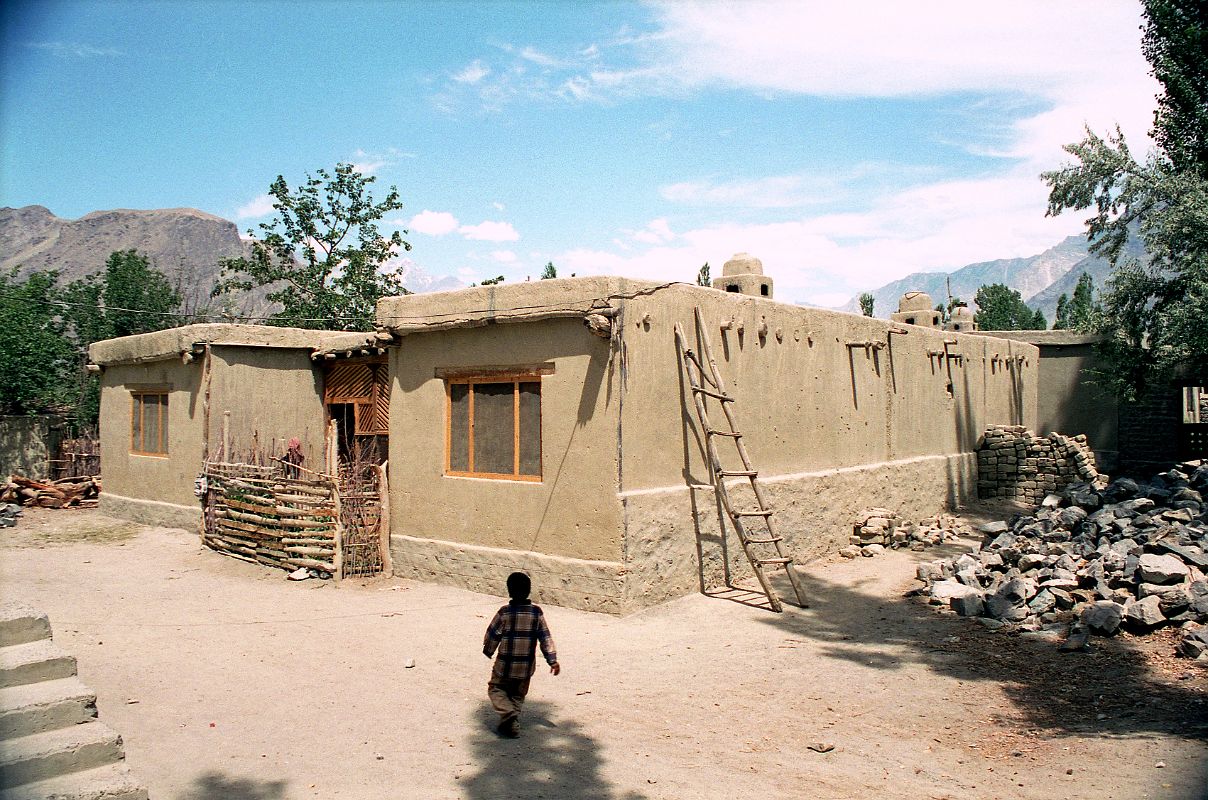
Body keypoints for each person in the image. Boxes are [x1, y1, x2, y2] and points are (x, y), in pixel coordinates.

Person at [482, 572, 560, 738]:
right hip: (525, 668)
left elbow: (493, 633)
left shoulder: (504, 613)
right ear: (529, 591)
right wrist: (552, 660)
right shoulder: (536, 613)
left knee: (496, 689)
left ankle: (508, 713)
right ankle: (511, 722)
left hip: (505, 666)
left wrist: (488, 650)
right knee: (518, 694)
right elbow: (545, 637)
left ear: (509, 591)